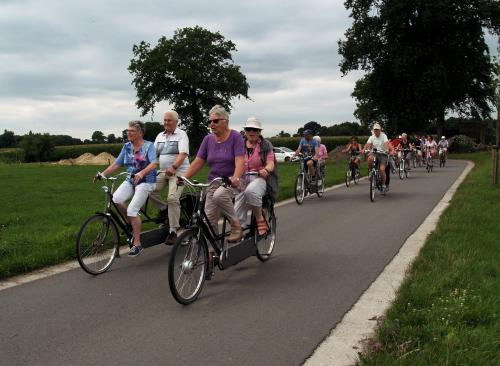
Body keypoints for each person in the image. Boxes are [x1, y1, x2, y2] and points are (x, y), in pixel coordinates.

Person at [183, 105, 245, 243]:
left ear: (226, 121)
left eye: (216, 121)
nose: (212, 124)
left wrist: (235, 178)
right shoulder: (208, 139)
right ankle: (211, 254)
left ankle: (236, 225)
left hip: (232, 180)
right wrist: (184, 177)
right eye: (210, 121)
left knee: (220, 195)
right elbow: (198, 161)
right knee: (208, 221)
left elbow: (240, 160)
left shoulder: (235, 137)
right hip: (214, 181)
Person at [95, 121, 157, 257]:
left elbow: (154, 163)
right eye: (127, 130)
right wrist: (102, 174)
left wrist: (141, 173)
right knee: (116, 199)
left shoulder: (148, 146)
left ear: (140, 132)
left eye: (132, 131)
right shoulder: (127, 146)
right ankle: (130, 221)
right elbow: (117, 164)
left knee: (132, 210)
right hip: (131, 180)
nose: (128, 133)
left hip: (146, 181)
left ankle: (137, 244)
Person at [149, 110, 190, 245]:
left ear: (176, 122)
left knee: (172, 198)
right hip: (163, 172)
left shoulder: (181, 135)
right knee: (147, 188)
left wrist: (173, 167)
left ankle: (173, 231)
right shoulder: (160, 136)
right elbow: (152, 155)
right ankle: (165, 210)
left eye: (169, 120)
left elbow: (183, 154)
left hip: (178, 172)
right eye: (165, 120)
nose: (166, 123)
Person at [235, 117, 276, 235]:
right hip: (242, 178)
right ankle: (239, 228)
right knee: (235, 209)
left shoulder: (265, 145)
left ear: (259, 132)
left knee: (251, 191)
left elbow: (271, 162)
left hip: (259, 178)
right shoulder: (240, 144)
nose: (251, 132)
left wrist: (266, 170)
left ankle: (259, 218)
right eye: (248, 129)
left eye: (254, 130)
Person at [364, 122, 390, 191]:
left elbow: (386, 143)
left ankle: (384, 184)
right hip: (375, 153)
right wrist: (368, 150)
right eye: (375, 130)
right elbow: (368, 143)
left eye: (377, 130)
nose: (376, 131)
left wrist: (387, 149)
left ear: (380, 130)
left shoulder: (383, 136)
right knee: (369, 158)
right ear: (373, 130)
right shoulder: (371, 137)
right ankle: (370, 172)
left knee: (382, 170)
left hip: (383, 154)